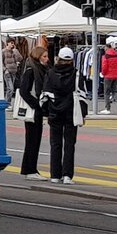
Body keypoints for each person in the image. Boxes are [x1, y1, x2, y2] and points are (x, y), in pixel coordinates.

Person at [44, 46, 83, 184]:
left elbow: (45, 94)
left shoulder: (51, 73)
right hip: (71, 112)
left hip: (54, 112)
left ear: (58, 59)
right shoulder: (76, 74)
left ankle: (55, 175)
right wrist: (82, 114)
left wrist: (47, 111)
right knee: (69, 144)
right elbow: (82, 94)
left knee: (55, 144)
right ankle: (67, 175)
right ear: (72, 60)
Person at [17, 45, 50, 180]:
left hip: (37, 109)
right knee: (32, 140)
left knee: (35, 140)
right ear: (38, 56)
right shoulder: (31, 70)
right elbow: (23, 91)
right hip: (33, 110)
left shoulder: (40, 69)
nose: (47, 59)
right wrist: (36, 105)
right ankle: (29, 170)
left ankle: (30, 169)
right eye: (44, 56)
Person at [100, 42, 117, 115]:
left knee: (106, 92)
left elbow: (104, 67)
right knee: (114, 91)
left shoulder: (105, 56)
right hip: (116, 76)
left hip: (108, 76)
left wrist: (102, 74)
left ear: (106, 48)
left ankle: (107, 108)